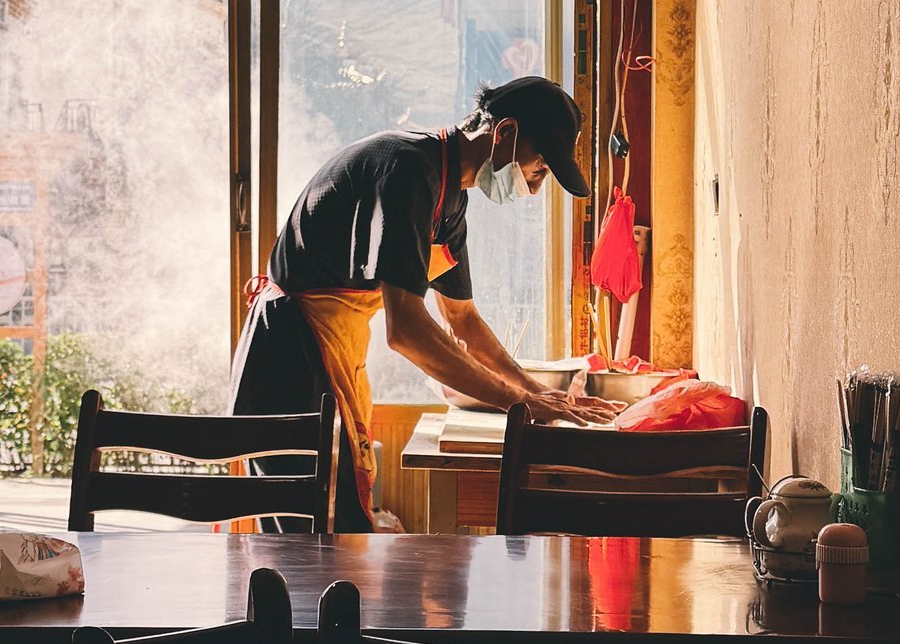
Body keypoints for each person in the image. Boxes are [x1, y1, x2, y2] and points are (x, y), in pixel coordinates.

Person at [229, 75, 618, 532]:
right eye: (538, 169)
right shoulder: (409, 170)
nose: (534, 189)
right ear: (506, 133)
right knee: (301, 538)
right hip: (288, 356)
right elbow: (407, 332)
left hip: (331, 347)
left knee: (341, 523)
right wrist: (519, 404)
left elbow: (464, 321)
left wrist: (535, 391)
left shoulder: (451, 201)